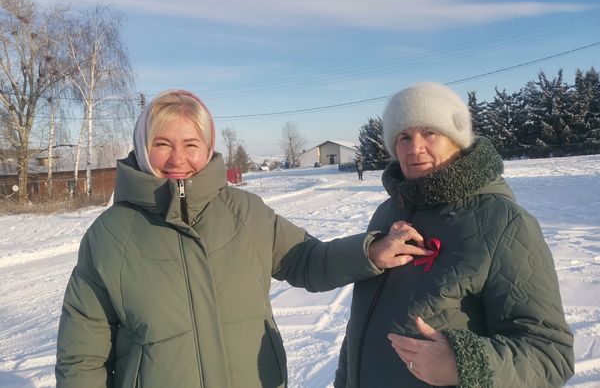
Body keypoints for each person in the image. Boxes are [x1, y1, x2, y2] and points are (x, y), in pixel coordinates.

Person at [55, 89, 431, 388]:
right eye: (162, 143)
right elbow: (82, 357)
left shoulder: (244, 212)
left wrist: (370, 252)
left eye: (190, 144)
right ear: (142, 147)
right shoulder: (109, 235)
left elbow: (307, 260)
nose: (177, 159)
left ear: (207, 148)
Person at [334, 82, 574, 388]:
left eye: (429, 132)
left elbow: (550, 354)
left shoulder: (504, 222)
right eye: (404, 137)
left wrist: (466, 365)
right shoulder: (388, 212)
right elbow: (363, 322)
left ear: (457, 139)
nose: (414, 148)